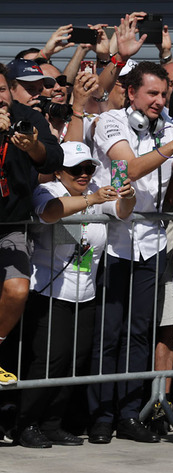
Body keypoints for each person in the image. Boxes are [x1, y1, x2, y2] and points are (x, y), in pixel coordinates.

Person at [87, 61, 173, 445]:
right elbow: (126, 168)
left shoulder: (167, 125)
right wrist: (172, 146)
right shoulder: (109, 122)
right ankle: (100, 415)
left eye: (164, 94)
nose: (160, 101)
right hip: (113, 239)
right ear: (131, 92)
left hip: (151, 242)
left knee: (139, 333)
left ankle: (130, 413)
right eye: (152, 93)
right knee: (109, 333)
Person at [17, 142, 135, 448]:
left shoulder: (97, 190)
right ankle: (26, 422)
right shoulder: (49, 191)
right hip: (50, 290)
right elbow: (49, 214)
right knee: (49, 361)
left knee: (75, 360)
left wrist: (127, 197)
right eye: (76, 169)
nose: (84, 174)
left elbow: (121, 212)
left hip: (86, 292)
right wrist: (89, 199)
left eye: (89, 168)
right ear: (58, 170)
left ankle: (53, 423)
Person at [0, 62, 63, 386]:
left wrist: (33, 146)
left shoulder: (28, 116)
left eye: (0, 90)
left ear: (9, 89)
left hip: (11, 225)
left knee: (17, 287)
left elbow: (54, 158)